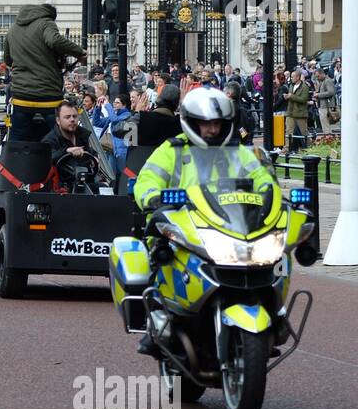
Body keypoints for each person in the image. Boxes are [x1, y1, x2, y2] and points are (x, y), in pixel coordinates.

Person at [133, 87, 275, 353]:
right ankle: (157, 322)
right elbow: (146, 180)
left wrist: (272, 196)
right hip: (183, 225)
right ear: (191, 121)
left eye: (217, 124)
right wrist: (153, 198)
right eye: (205, 123)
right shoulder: (172, 150)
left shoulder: (240, 153)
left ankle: (273, 313)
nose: (212, 130)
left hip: (232, 226)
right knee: (160, 257)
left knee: (274, 258)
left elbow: (265, 180)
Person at [3, 3, 85, 141]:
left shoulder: (13, 29)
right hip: (48, 94)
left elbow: (8, 60)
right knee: (62, 139)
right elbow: (54, 40)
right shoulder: (46, 23)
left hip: (21, 96)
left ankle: (17, 162)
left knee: (17, 141)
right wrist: (79, 52)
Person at [41, 102, 97, 190]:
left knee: (104, 189)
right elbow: (45, 160)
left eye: (74, 116)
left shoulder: (82, 135)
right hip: (60, 189)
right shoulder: (49, 140)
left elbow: (90, 152)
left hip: (85, 184)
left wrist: (95, 158)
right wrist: (67, 151)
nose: (72, 120)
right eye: (67, 117)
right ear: (58, 120)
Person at [284, 69, 311, 153]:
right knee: (289, 131)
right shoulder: (291, 86)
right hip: (290, 112)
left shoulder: (305, 87)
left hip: (300, 113)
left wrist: (291, 96)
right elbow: (291, 97)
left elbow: (304, 99)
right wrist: (286, 97)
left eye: (292, 77)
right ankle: (287, 148)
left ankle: (309, 148)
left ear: (298, 77)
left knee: (304, 132)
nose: (291, 78)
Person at [314, 68, 337, 134]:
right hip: (323, 106)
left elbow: (331, 92)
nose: (317, 78)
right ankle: (328, 140)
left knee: (326, 127)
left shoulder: (327, 81)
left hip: (326, 106)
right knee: (325, 126)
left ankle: (328, 140)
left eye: (318, 76)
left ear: (322, 74)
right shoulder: (323, 81)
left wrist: (318, 95)